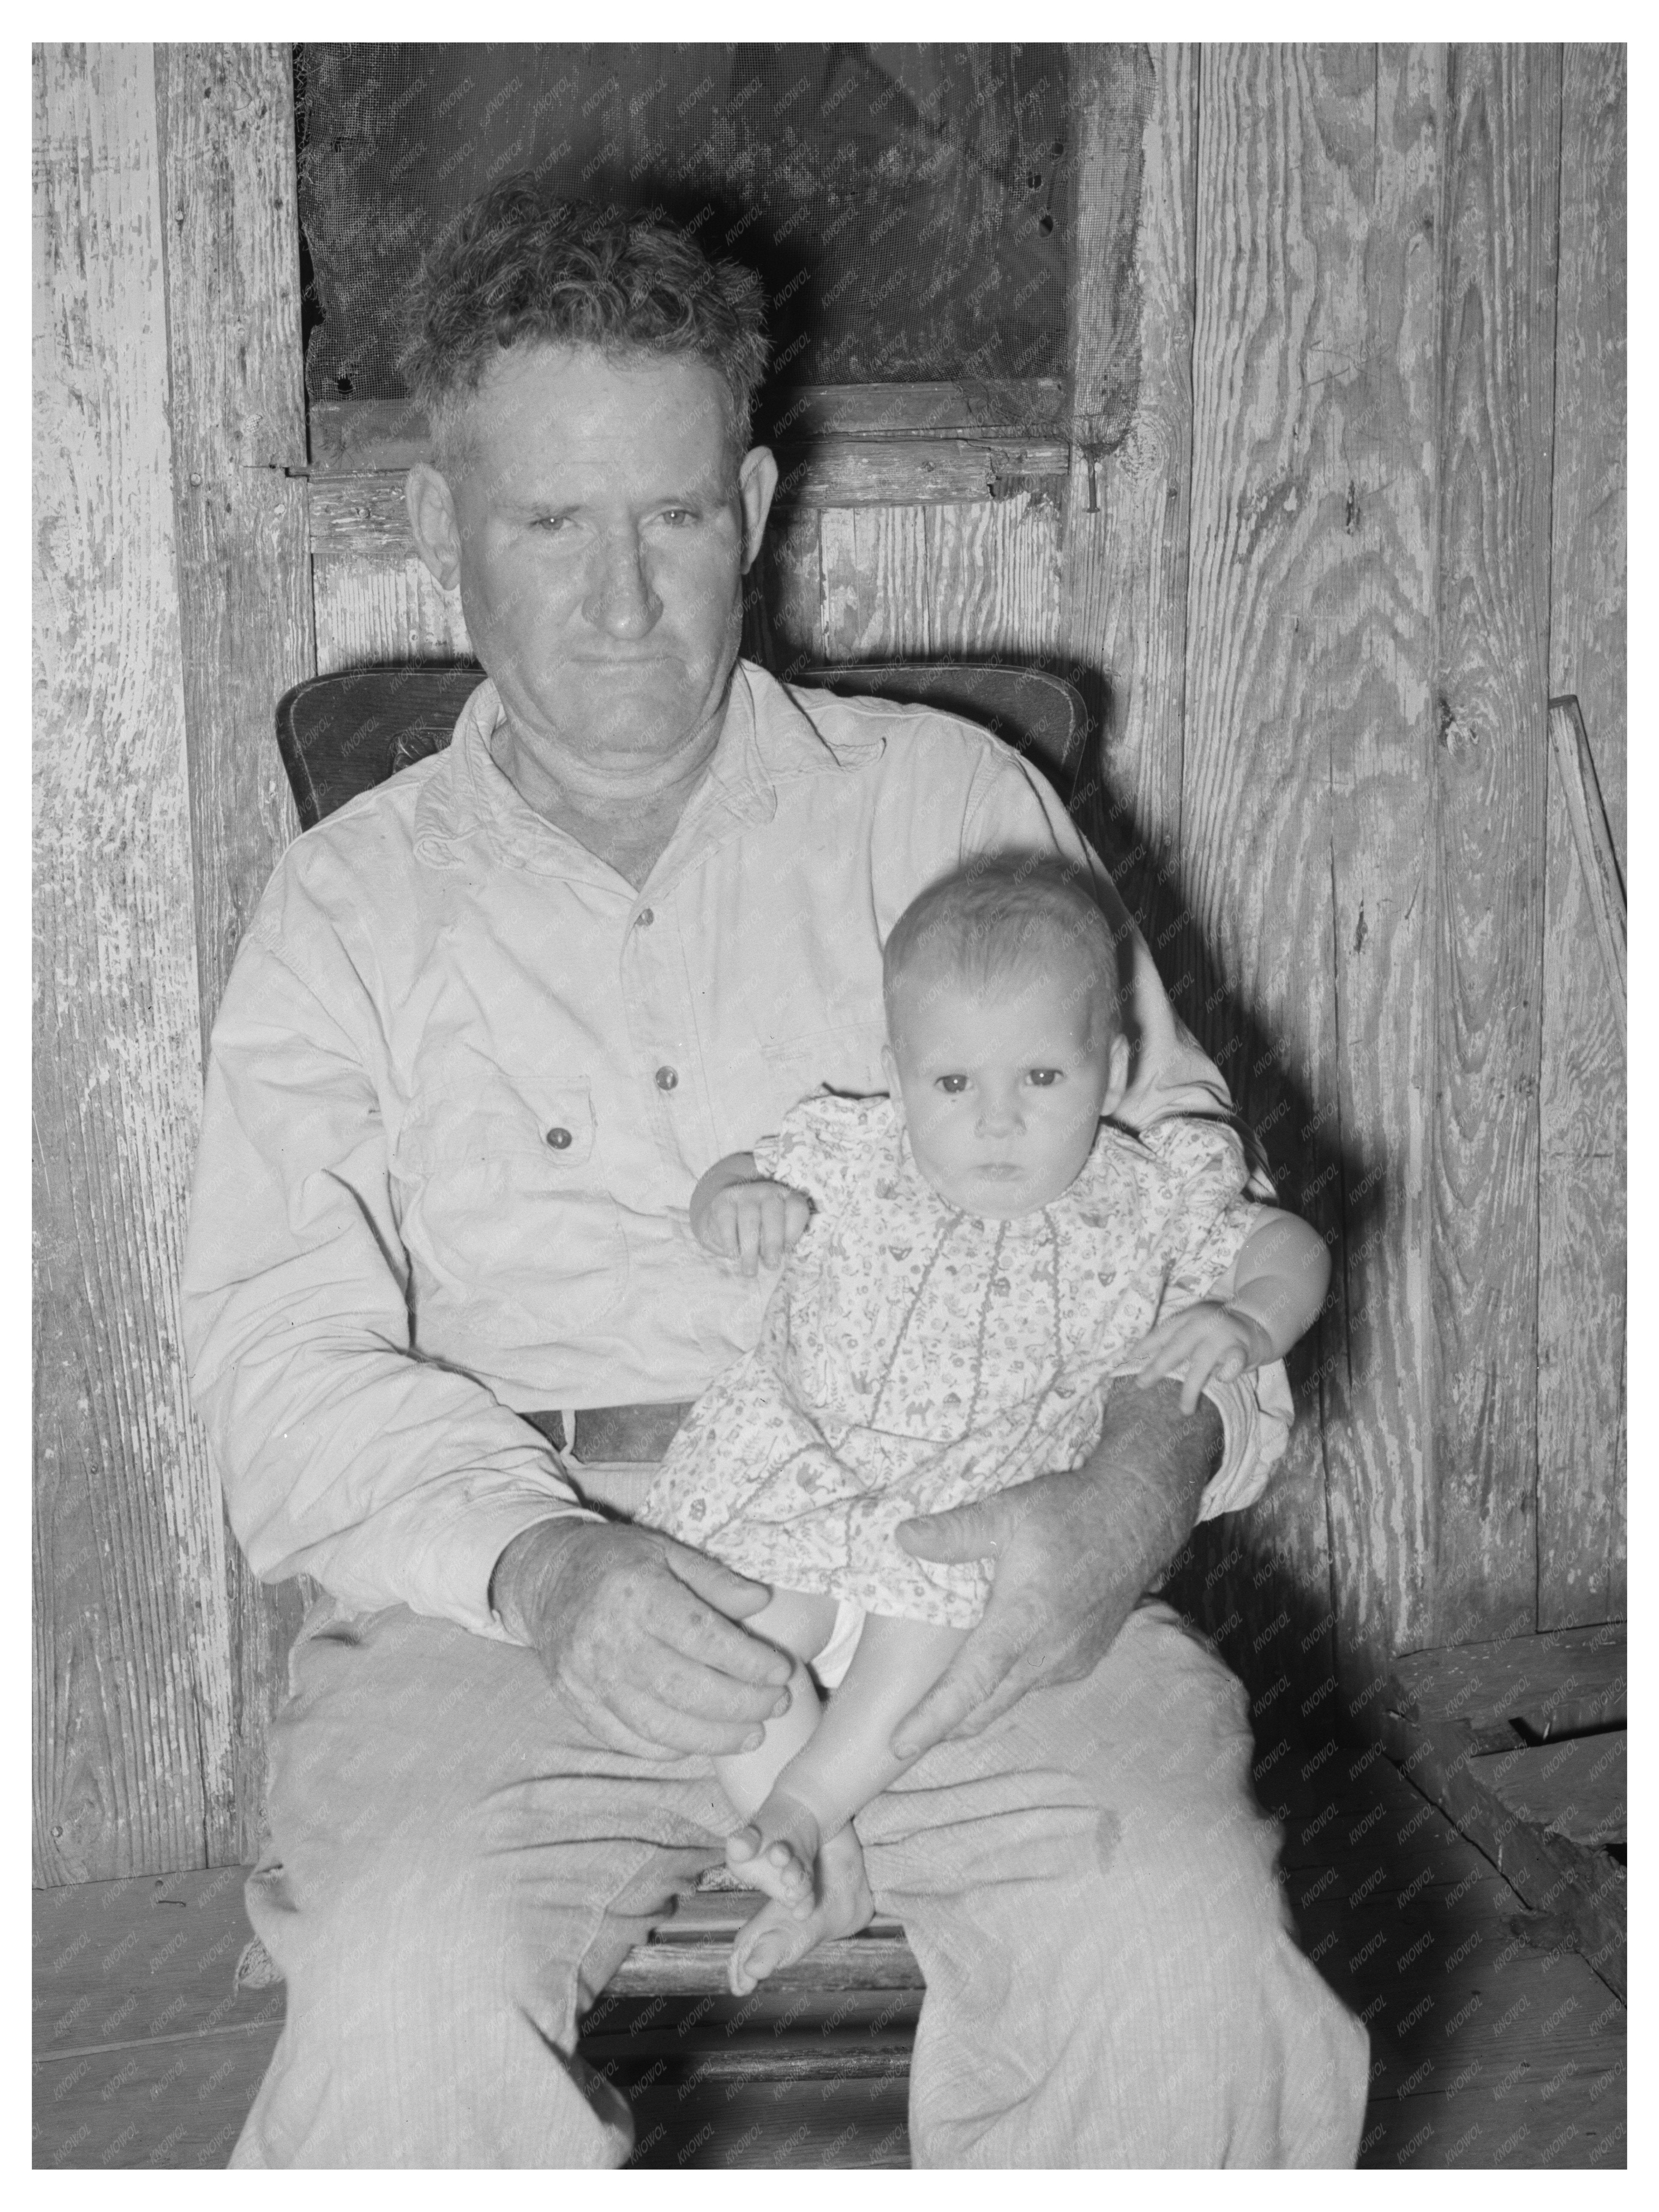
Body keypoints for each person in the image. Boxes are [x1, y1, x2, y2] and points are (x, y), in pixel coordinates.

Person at [182, 178, 1370, 2167]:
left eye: (665, 519)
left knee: (1176, 1968)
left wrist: (1134, 1483)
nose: (618, 597)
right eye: (548, 525)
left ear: (743, 511)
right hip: (520, 1605)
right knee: (401, 2002)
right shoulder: (348, 907)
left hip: (968, 1563)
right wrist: (544, 1562)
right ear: (441, 531)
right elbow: (272, 1359)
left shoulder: (945, 809)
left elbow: (1187, 1195)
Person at [644, 861, 1333, 1997]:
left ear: (1109, 1072)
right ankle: (820, 1855)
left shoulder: (1142, 1196)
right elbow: (740, 1168)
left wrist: (1245, 1318)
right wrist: (733, 1200)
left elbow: (1287, 1245)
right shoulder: (852, 1152)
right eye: (952, 1082)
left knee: (924, 1632)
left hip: (961, 1511)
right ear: (896, 1075)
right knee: (726, 1627)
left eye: (1043, 1077)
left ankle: (808, 1808)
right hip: (798, 1473)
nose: (997, 1120)